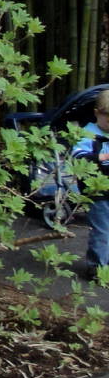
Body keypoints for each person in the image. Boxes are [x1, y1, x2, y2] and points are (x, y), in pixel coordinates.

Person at [70, 90, 109, 281]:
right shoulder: (88, 134)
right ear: (97, 113)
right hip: (97, 191)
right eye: (107, 117)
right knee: (101, 230)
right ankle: (97, 268)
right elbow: (77, 156)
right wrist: (100, 157)